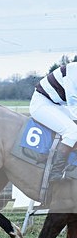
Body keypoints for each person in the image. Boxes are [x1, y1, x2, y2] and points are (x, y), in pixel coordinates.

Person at [29, 60, 77, 199]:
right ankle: (55, 175)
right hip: (42, 104)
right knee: (72, 132)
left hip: (57, 105)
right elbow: (74, 105)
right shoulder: (74, 71)